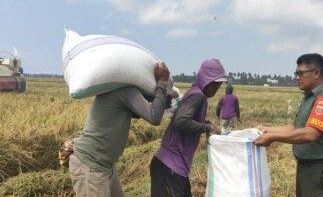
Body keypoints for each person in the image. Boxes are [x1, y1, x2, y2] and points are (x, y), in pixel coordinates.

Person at [69, 62, 171, 197]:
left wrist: (164, 96)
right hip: (91, 165)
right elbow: (154, 117)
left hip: (105, 165)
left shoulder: (120, 90)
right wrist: (162, 83)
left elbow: (143, 111)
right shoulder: (125, 90)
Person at [254, 53, 323, 197]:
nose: (297, 77)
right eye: (296, 73)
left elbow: (310, 133)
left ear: (316, 73)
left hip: (320, 170)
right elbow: (295, 127)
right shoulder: (308, 98)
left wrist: (273, 137)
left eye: (301, 73)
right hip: (306, 167)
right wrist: (267, 129)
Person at [151, 59, 227, 197]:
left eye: (219, 84)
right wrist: (208, 127)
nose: (217, 88)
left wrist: (206, 123)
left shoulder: (195, 93)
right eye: (216, 84)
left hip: (173, 167)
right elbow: (180, 121)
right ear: (207, 81)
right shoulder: (197, 96)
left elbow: (187, 118)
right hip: (170, 167)